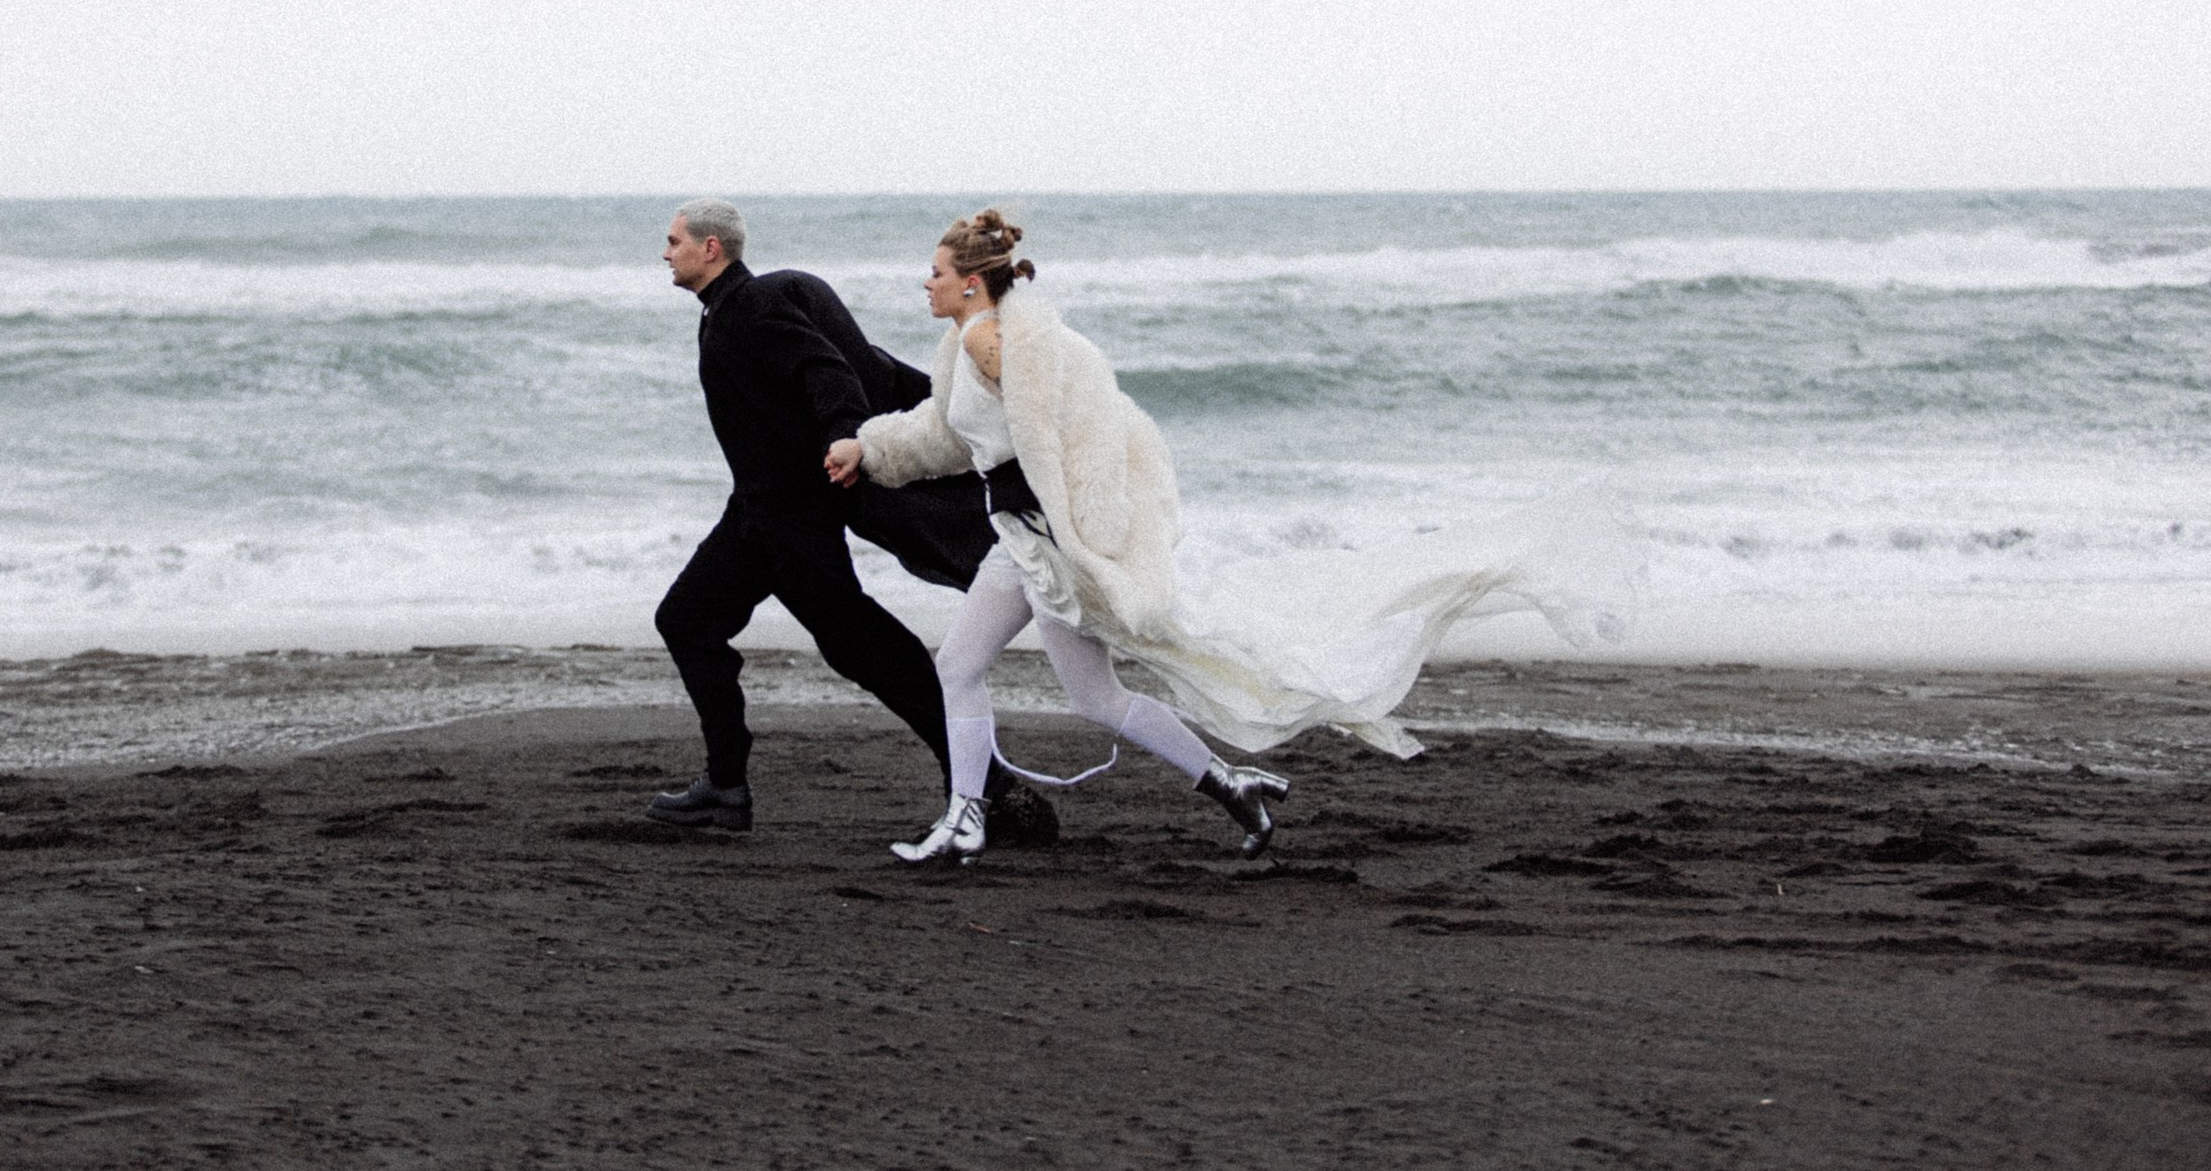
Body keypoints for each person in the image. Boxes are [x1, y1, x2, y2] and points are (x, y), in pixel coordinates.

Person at [828, 210, 1638, 864]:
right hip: (1027, 541)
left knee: (984, 671)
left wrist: (1095, 536)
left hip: (1048, 547)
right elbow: (947, 431)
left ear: (970, 284)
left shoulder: (994, 340)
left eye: (935, 273)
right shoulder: (968, 344)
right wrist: (870, 448)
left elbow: (1084, 432)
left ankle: (972, 816)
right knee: (1076, 693)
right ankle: (1225, 781)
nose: (924, 283)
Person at [645, 199, 1000, 833]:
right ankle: (725, 785)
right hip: (757, 515)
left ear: (710, 250)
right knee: (690, 621)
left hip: (792, 519)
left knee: (866, 649)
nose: (664, 252)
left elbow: (828, 369)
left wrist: (844, 440)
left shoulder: (753, 308)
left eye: (674, 241)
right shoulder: (723, 314)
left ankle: (984, 783)